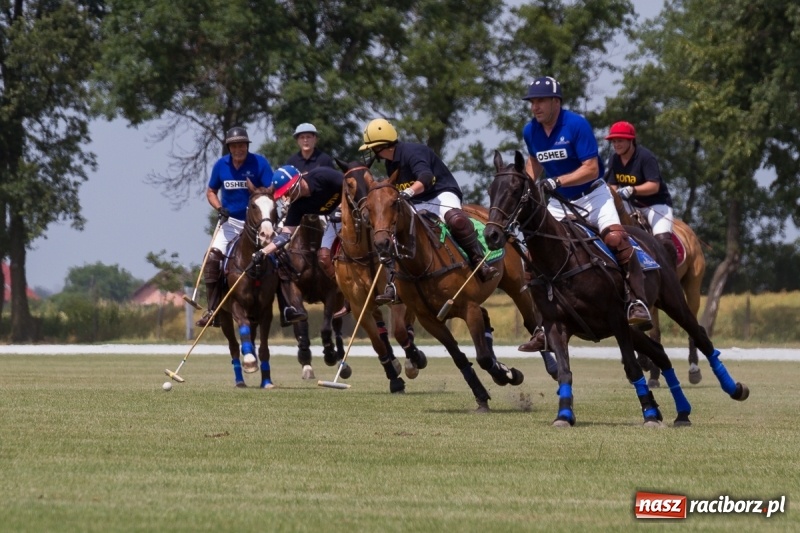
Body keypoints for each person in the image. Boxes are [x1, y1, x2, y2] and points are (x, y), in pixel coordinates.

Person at [518, 77, 652, 352]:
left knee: (616, 239)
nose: (535, 106)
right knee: (534, 257)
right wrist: (524, 186)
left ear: (556, 101)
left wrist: (559, 181)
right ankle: (544, 326)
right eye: (532, 101)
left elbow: (592, 168)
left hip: (593, 196)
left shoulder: (576, 125)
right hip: (559, 202)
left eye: (541, 100)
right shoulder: (530, 131)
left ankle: (636, 301)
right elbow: (533, 163)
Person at [359, 118, 499, 305]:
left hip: (440, 193)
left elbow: (426, 176)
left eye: (371, 148)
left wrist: (408, 191)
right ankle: (393, 283)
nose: (370, 153)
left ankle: (479, 261)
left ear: (381, 146)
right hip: (417, 201)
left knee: (456, 220)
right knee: (393, 230)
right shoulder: (390, 163)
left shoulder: (413, 152)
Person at [196, 127, 306, 327]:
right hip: (230, 223)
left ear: (247, 146)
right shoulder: (221, 165)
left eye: (242, 145)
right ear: (229, 148)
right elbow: (211, 191)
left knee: (280, 257)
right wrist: (219, 208)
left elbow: (271, 190)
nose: (239, 149)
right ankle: (213, 310)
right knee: (212, 258)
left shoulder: (259, 163)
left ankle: (288, 308)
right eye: (234, 146)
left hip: (257, 225)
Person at [254, 164, 345, 311]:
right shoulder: (297, 207)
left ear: (297, 182)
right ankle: (343, 289)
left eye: (288, 191)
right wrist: (263, 252)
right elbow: (284, 236)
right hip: (335, 221)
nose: (286, 197)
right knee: (324, 255)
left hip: (351, 211)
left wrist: (342, 205)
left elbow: (350, 184)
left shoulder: (321, 175)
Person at [604, 121, 678, 266]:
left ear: (631, 140)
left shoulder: (645, 157)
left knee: (663, 240)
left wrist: (633, 189)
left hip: (655, 204)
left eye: (620, 140)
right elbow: (612, 186)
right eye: (614, 141)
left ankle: (670, 277)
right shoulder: (614, 159)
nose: (616, 144)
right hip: (629, 203)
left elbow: (654, 186)